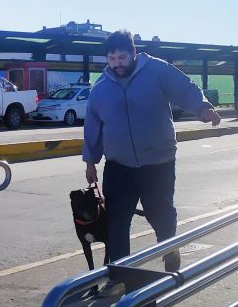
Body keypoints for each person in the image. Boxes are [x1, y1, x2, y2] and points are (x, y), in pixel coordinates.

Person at [83, 30, 221, 273]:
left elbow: (185, 89)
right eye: (112, 58)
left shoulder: (157, 71)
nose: (117, 63)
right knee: (117, 221)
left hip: (158, 161)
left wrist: (202, 108)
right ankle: (120, 272)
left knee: (161, 214)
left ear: (133, 52)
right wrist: (91, 161)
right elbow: (93, 125)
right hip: (118, 165)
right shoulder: (100, 88)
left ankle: (170, 251)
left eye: (122, 57)